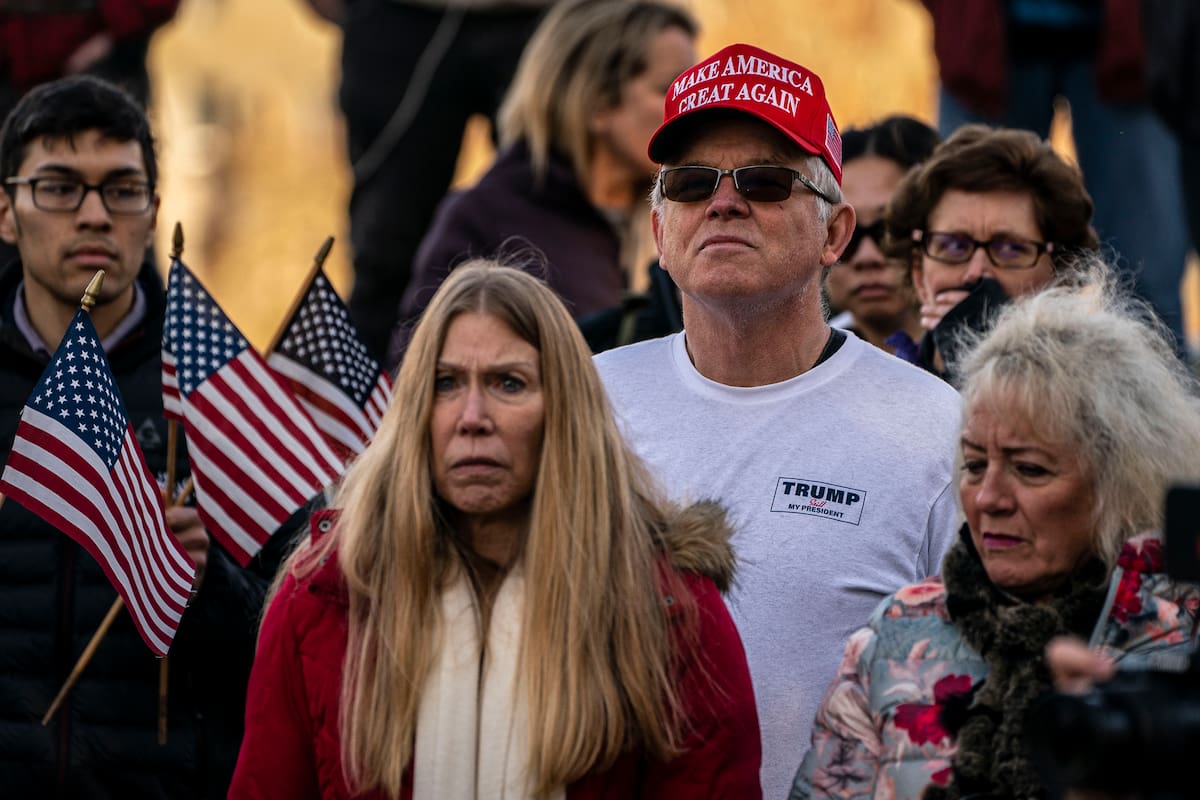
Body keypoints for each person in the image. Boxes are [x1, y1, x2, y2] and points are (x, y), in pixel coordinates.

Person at [231, 262, 763, 799]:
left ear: (564, 410)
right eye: (446, 383)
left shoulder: (668, 608)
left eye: (508, 383)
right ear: (415, 409)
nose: (472, 416)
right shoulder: (326, 596)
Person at [593, 43, 963, 799]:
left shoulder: (934, 427)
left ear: (834, 233)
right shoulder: (585, 402)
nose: (724, 202)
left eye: (764, 181)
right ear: (660, 234)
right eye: (693, 184)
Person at [792, 258, 1200, 799]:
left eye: (1029, 468)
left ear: (1118, 481)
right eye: (975, 464)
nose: (988, 499)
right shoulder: (895, 632)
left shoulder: (1183, 638)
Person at [0, 75, 280, 797]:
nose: (94, 215)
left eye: (122, 190)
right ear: (6, 211)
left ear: (154, 211)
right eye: (59, 187)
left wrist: (205, 578)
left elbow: (296, 645)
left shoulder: (218, 391)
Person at [387, 0, 697, 369]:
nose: (688, 110)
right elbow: (422, 379)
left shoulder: (678, 214)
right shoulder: (486, 219)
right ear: (597, 100)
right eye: (668, 90)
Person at [921, 0, 1191, 353]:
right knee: (960, 263)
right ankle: (948, 394)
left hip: (1132, 41)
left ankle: (1156, 399)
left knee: (1147, 278)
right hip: (979, 38)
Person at [300, 0, 557, 360]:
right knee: (384, 257)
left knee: (560, 252)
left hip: (550, 21)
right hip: (401, 19)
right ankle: (371, 411)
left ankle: (581, 402)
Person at [884, 123, 1099, 382]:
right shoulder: (877, 396)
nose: (977, 272)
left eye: (1010, 249)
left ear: (1061, 276)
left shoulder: (1101, 394)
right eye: (954, 246)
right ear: (919, 274)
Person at [823, 115, 939, 355]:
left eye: (888, 230)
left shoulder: (988, 370)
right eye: (846, 234)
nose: (867, 257)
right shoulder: (793, 370)